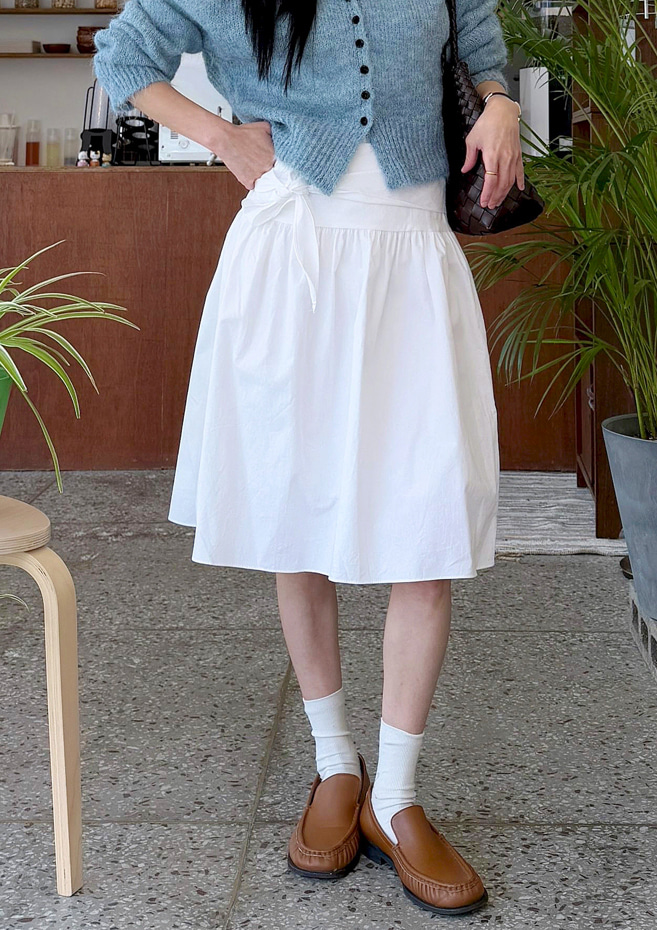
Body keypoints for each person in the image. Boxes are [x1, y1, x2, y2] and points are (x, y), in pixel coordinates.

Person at [93, 0, 523, 916]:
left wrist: (500, 103)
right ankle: (336, 765)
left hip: (413, 254)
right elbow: (122, 54)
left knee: (428, 528)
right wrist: (222, 137)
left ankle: (395, 796)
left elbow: (482, 46)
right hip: (292, 260)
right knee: (297, 525)